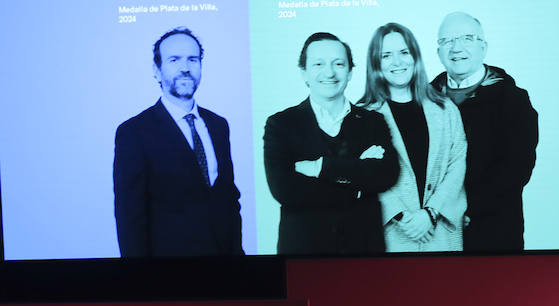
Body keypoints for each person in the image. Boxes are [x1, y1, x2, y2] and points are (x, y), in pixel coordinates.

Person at [263, 31, 399, 255]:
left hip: (364, 252)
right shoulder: (281, 124)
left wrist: (321, 168)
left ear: (350, 71)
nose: (329, 73)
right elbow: (284, 190)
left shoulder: (373, 121)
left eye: (338, 64)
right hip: (303, 254)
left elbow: (387, 175)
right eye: (318, 64)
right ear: (304, 73)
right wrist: (356, 186)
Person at [114, 27, 242, 256]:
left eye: (193, 59)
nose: (185, 68)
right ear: (157, 70)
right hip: (167, 277)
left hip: (226, 270)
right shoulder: (134, 132)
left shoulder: (218, 125)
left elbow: (229, 200)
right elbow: (129, 216)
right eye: (174, 60)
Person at [431, 11, 539, 251]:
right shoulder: (424, 100)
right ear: (438, 51)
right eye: (446, 41)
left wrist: (465, 209)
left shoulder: (512, 99)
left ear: (483, 47)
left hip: (493, 230)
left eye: (467, 38)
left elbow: (517, 168)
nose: (456, 48)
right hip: (433, 232)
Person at [361, 22, 467, 252]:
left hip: (440, 231)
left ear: (415, 56)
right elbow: (364, 174)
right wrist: (401, 217)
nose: (397, 62)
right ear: (376, 63)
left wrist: (430, 213)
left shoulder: (446, 108)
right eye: (386, 55)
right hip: (391, 234)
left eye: (403, 52)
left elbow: (457, 165)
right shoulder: (362, 115)